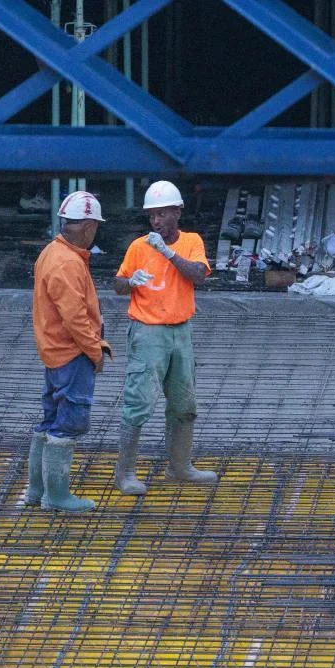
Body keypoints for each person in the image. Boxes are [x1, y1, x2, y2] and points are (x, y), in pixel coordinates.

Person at [112, 180, 218, 495]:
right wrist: (130, 281)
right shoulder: (138, 247)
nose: (156, 221)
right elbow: (117, 285)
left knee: (184, 401)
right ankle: (125, 474)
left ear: (177, 212)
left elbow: (198, 275)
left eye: (162, 214)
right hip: (148, 332)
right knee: (139, 401)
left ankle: (180, 467)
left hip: (181, 331)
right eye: (152, 215)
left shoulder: (192, 242)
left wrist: (168, 253)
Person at [27, 191, 111, 513]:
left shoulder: (52, 253)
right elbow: (75, 318)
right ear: (88, 227)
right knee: (68, 423)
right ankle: (57, 496)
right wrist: (95, 351)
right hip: (71, 355)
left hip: (53, 354)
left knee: (50, 420)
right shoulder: (67, 262)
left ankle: (37, 491)